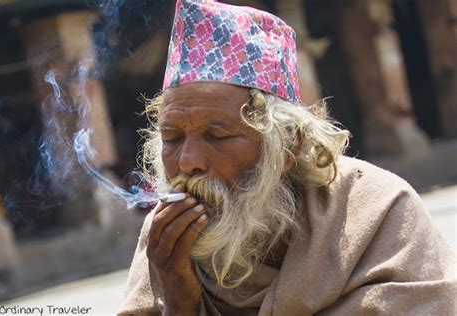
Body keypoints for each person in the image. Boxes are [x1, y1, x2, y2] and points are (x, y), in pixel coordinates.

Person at [118, 0, 456, 315]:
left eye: (217, 136)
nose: (188, 161)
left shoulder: (377, 211)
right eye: (172, 138)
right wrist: (178, 296)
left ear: (286, 147)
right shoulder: (167, 241)